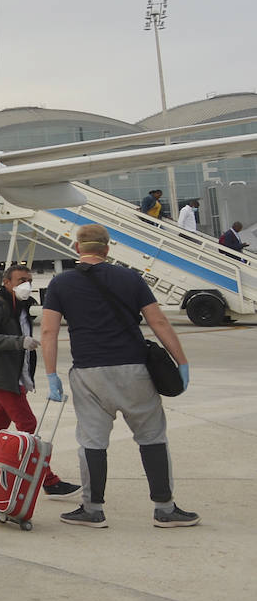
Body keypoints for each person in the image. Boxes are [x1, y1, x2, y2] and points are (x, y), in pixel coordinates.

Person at [40, 224, 198, 530]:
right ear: (107, 249)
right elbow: (159, 322)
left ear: (77, 248)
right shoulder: (131, 278)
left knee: (92, 441)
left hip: (88, 373)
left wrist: (51, 375)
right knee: (152, 437)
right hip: (134, 369)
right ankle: (165, 509)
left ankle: (92, 509)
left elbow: (48, 331)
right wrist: (181, 361)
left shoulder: (61, 283)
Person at [0, 265, 79, 497]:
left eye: (29, 280)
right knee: (29, 425)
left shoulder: (21, 306)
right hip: (2, 377)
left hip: (11, 376)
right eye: (21, 280)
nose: (27, 285)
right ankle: (48, 480)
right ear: (7, 282)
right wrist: (18, 342)